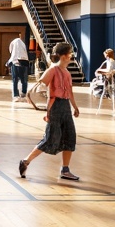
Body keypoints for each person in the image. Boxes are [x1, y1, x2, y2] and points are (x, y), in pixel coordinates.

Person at [19, 42, 80, 181]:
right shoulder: (53, 70)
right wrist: (35, 99)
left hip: (65, 106)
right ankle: (26, 161)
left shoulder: (67, 72)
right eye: (70, 54)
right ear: (64, 56)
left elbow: (70, 92)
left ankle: (65, 170)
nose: (71, 56)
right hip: (55, 107)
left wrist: (75, 107)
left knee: (70, 137)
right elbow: (40, 85)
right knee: (50, 139)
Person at [6, 33, 29, 102]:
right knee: (24, 80)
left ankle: (16, 95)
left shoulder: (14, 43)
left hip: (15, 63)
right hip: (23, 62)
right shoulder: (21, 43)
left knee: (15, 80)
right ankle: (23, 93)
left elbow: (11, 51)